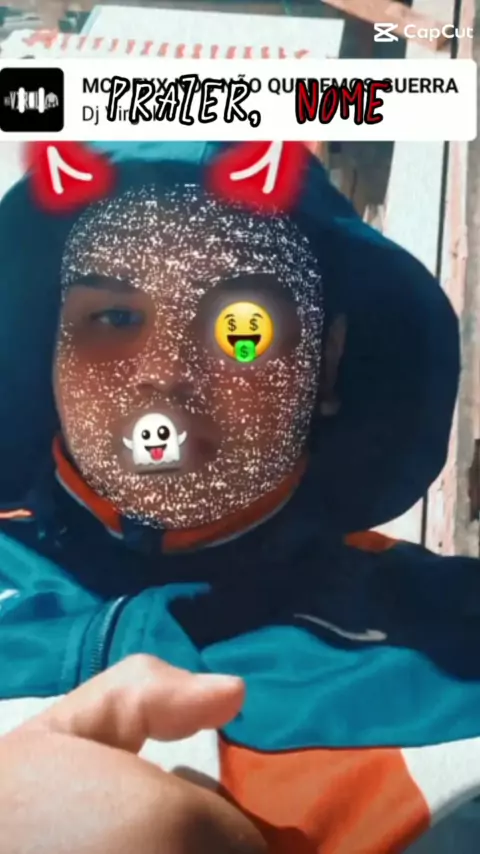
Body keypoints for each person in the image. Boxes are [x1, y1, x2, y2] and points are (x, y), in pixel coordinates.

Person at [0, 141, 478, 854]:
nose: (166, 374)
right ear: (51, 349)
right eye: (115, 318)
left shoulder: (456, 648)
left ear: (328, 365)